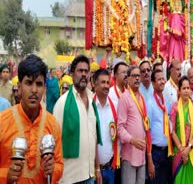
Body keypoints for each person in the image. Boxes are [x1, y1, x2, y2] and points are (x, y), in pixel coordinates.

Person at [0, 54, 63, 183]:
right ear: (19, 86)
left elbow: (59, 164)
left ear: (45, 88)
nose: (34, 90)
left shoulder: (53, 124)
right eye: (28, 83)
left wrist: (52, 170)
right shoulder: (2, 121)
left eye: (39, 84)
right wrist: (6, 175)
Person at [53, 55, 103, 184]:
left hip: (89, 176)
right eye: (80, 71)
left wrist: (97, 169)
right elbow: (55, 142)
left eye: (86, 71)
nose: (84, 74)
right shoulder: (62, 104)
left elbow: (94, 138)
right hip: (69, 178)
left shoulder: (92, 102)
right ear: (72, 74)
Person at [117, 66, 151, 184]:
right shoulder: (124, 98)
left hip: (141, 156)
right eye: (134, 76)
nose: (137, 78)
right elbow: (120, 128)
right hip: (129, 155)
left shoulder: (141, 98)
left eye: (138, 76)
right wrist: (132, 140)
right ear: (128, 79)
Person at [170, 76, 193, 184]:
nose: (186, 90)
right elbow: (172, 131)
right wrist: (182, 149)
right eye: (184, 88)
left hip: (192, 152)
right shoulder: (174, 108)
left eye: (188, 88)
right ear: (179, 90)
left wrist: (188, 148)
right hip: (178, 153)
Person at [93, 69, 120, 184]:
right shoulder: (89, 105)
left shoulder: (114, 105)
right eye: (102, 82)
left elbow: (117, 133)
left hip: (110, 168)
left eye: (108, 83)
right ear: (95, 84)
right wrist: (97, 168)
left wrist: (115, 159)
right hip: (93, 171)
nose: (106, 86)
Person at [146, 69, 172, 184]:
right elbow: (147, 132)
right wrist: (150, 159)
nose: (162, 81)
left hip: (167, 151)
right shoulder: (150, 103)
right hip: (155, 153)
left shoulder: (166, 101)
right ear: (153, 83)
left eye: (163, 79)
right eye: (159, 79)